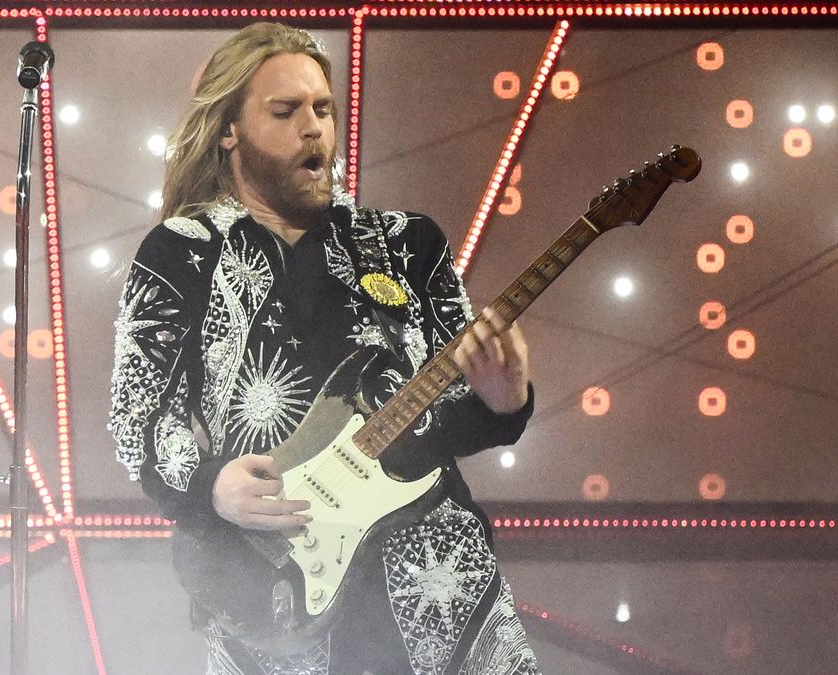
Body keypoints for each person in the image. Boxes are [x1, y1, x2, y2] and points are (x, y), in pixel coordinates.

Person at [108, 22, 542, 675]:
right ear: (229, 129)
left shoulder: (406, 242)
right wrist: (210, 486)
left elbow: (453, 411)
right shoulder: (180, 251)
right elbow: (137, 417)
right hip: (275, 594)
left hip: (436, 580)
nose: (314, 127)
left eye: (323, 109)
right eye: (285, 112)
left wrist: (504, 401)